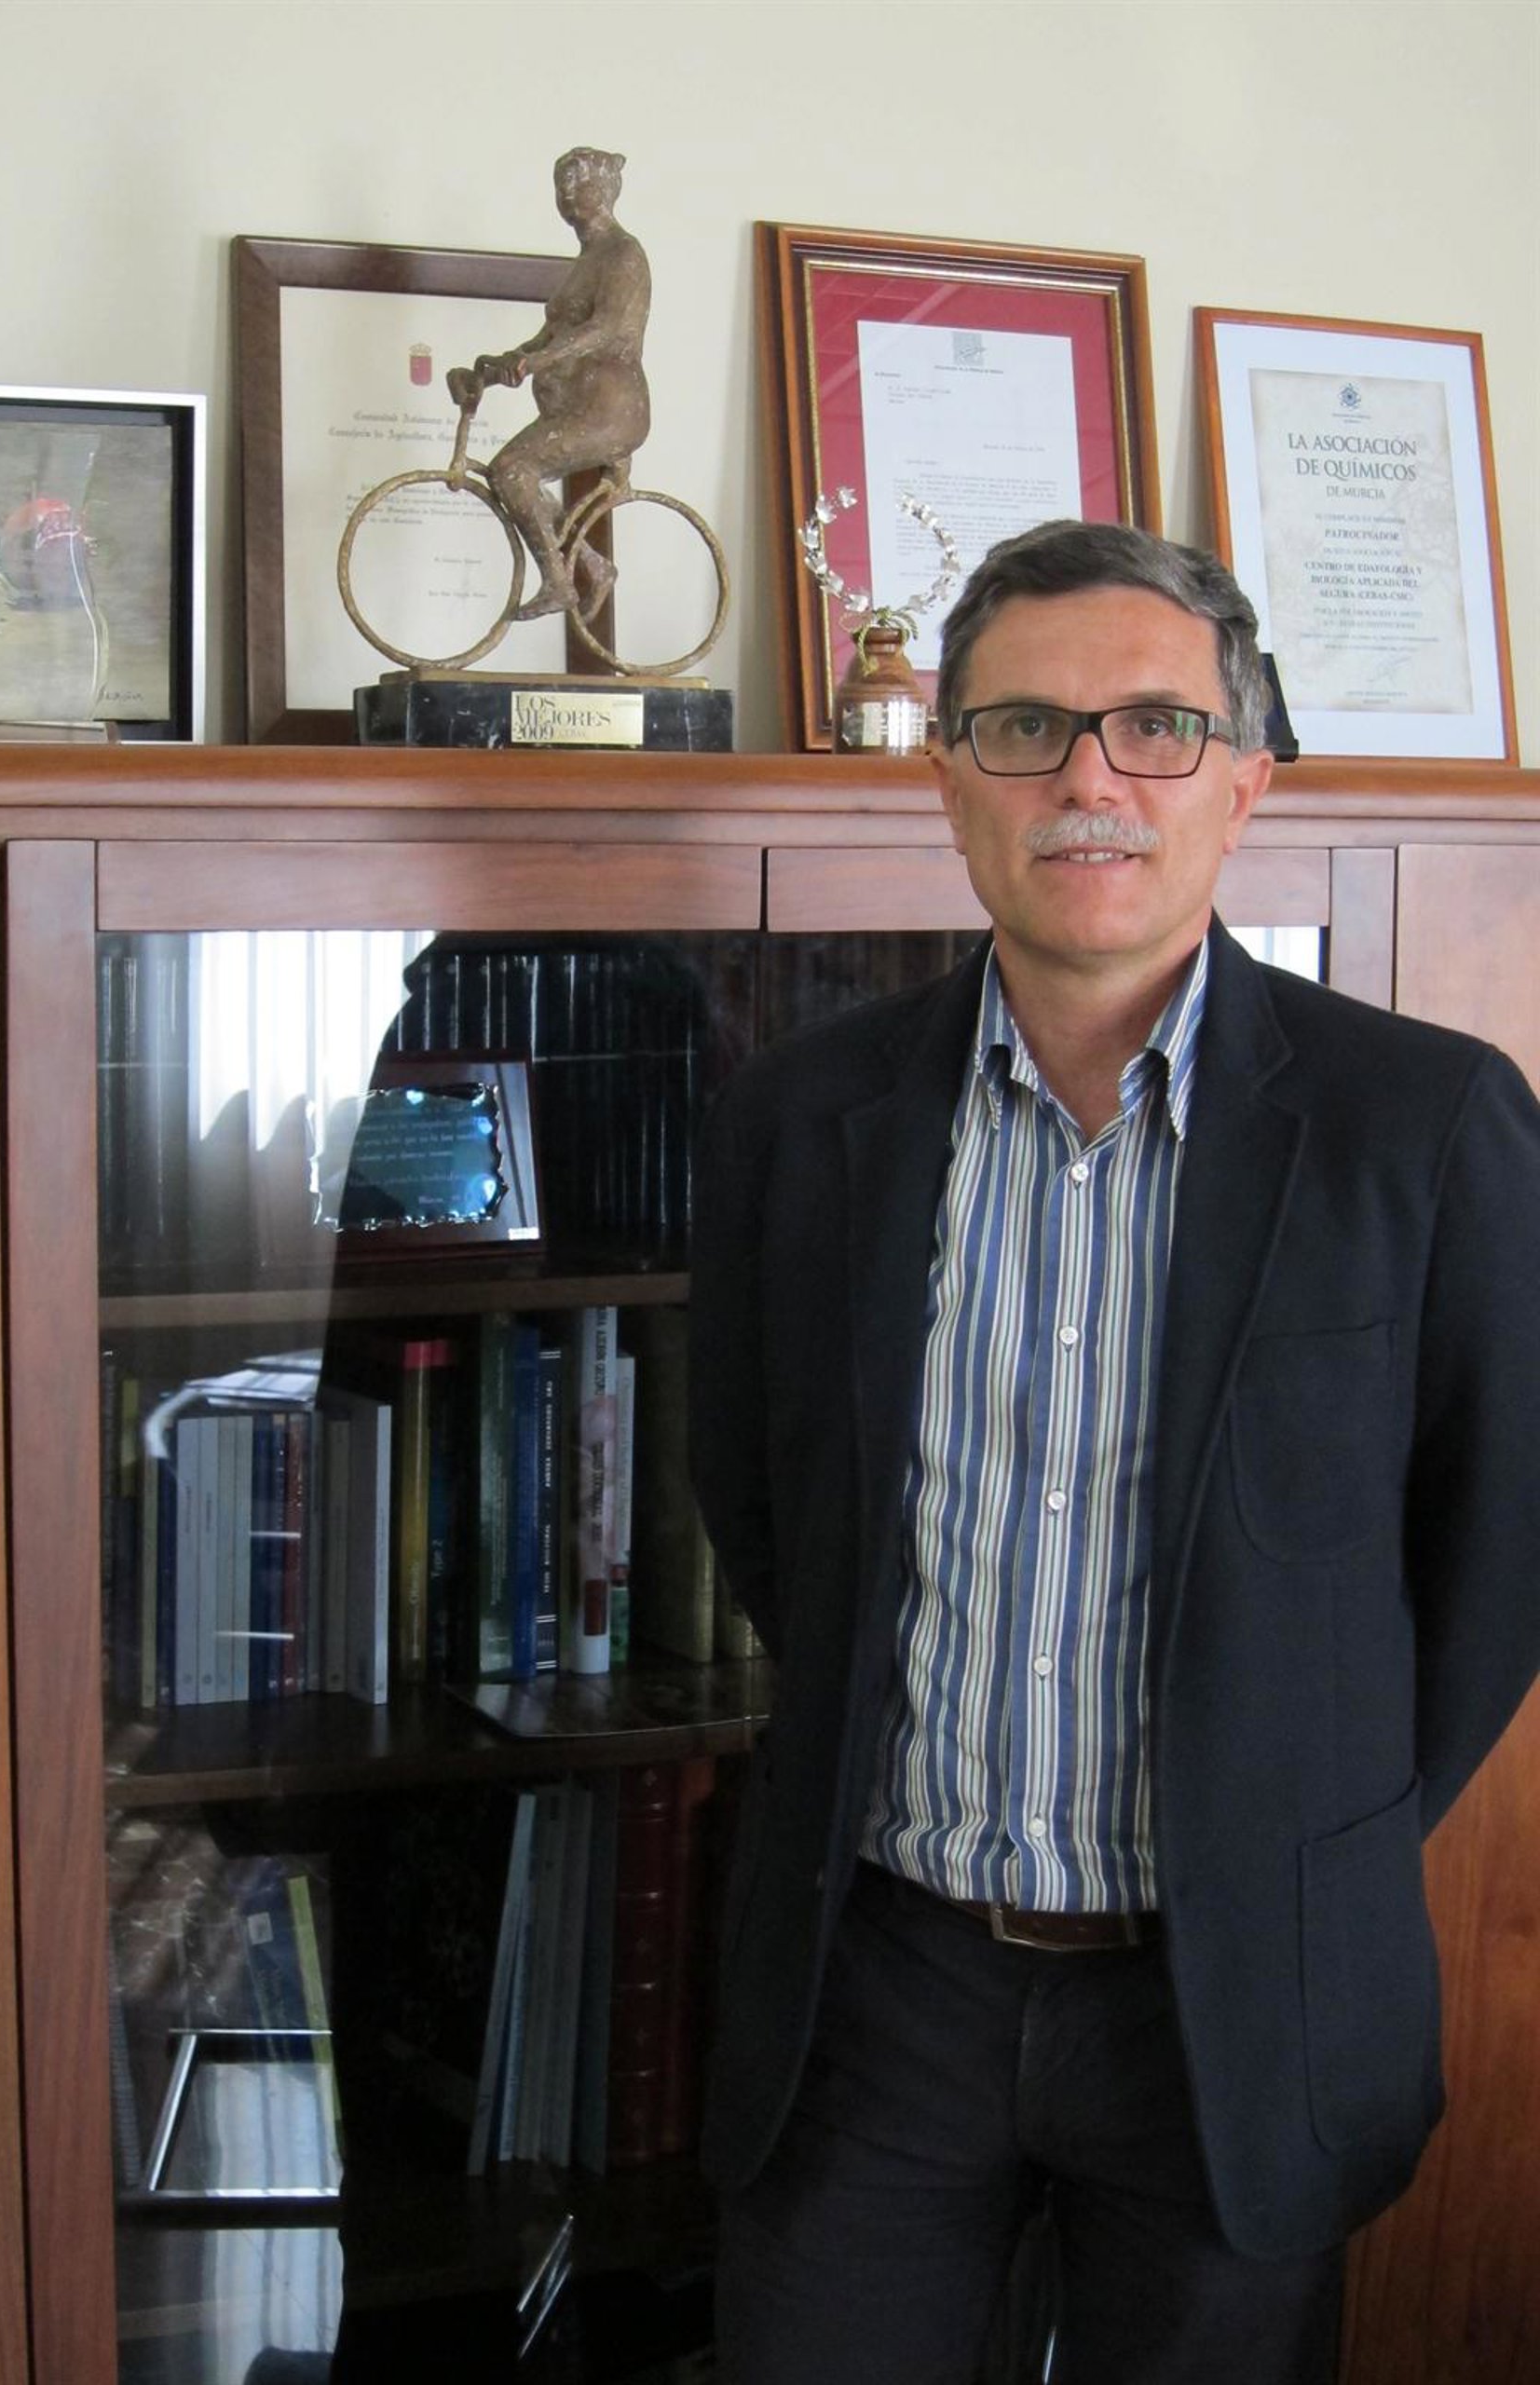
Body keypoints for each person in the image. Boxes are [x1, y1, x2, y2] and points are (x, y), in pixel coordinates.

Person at [688, 518, 1540, 2385]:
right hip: (877, 1992)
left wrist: (1290, 1828)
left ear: (1247, 778)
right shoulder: (799, 1121)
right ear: (949, 781)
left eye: (1155, 725)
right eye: (1023, 728)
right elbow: (764, 1499)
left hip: (1232, 2007)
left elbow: (1497, 1564)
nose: (1089, 779)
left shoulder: (1426, 1126)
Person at [447, 144, 649, 621]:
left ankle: (559, 583)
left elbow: (608, 329)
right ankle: (594, 566)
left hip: (609, 408)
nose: (567, 194)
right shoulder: (589, 259)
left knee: (511, 470)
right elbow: (548, 336)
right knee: (519, 478)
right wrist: (494, 369)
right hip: (575, 406)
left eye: (577, 183)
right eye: (561, 185)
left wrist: (538, 361)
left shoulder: (623, 254)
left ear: (603, 190)